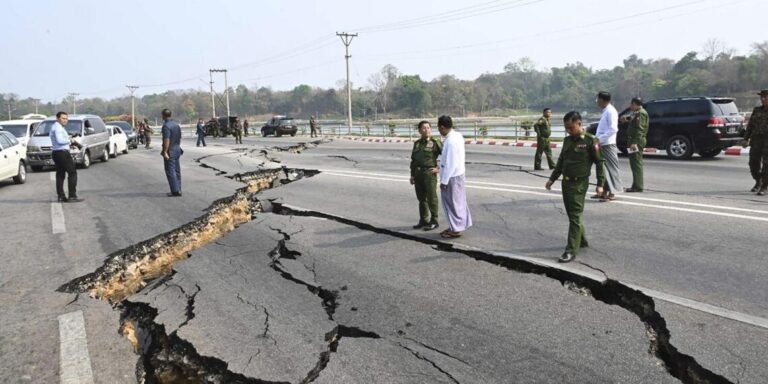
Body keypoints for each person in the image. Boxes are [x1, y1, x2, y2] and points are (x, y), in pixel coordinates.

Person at [545, 111, 605, 263]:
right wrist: (552, 179)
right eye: (566, 128)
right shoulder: (567, 141)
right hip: (566, 182)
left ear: (579, 124)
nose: (568, 130)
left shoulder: (591, 141)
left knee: (575, 215)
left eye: (571, 127)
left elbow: (600, 163)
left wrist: (600, 184)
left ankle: (571, 250)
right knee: (573, 214)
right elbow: (561, 161)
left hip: (579, 184)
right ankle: (582, 240)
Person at [437, 115, 472, 238]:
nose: (439, 131)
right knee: (459, 202)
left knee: (452, 204)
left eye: (439, 129)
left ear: (442, 127)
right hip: (459, 174)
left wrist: (444, 181)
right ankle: (456, 225)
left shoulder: (451, 141)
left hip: (452, 177)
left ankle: (456, 229)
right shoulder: (457, 136)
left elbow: (451, 163)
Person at [410, 120, 443, 231]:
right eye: (423, 128)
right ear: (419, 130)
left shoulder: (435, 142)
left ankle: (434, 221)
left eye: (428, 127)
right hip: (418, 174)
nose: (426, 130)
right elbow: (413, 161)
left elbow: (446, 155)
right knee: (421, 199)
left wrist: (439, 168)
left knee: (431, 198)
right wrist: (412, 175)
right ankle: (424, 220)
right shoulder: (417, 144)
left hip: (429, 174)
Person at [593, 91, 622, 201]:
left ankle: (612, 193)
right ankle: (604, 191)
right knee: (603, 169)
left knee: (611, 169)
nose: (597, 101)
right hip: (602, 144)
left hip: (608, 144)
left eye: (598, 99)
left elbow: (613, 129)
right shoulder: (606, 111)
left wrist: (599, 139)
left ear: (603, 100)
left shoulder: (611, 112)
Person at [50, 112, 83, 203]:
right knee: (72, 173)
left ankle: (61, 196)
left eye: (66, 118)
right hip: (62, 153)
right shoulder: (57, 128)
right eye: (63, 118)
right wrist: (70, 140)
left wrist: (69, 144)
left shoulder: (56, 127)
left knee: (60, 174)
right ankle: (72, 195)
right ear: (57, 118)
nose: (65, 120)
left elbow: (59, 141)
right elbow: (60, 140)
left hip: (57, 152)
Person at [745, 89, 768, 195]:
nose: (763, 99)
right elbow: (750, 125)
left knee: (766, 165)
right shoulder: (757, 110)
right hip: (756, 140)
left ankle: (764, 186)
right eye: (762, 97)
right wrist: (746, 138)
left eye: (765, 97)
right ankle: (758, 181)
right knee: (753, 163)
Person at [624, 97, 649, 192]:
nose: (630, 106)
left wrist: (634, 143)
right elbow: (633, 119)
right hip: (633, 141)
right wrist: (626, 119)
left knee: (636, 163)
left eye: (631, 104)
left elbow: (640, 129)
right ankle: (635, 185)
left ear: (635, 104)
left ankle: (638, 186)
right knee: (633, 162)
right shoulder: (637, 113)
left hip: (636, 142)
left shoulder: (641, 113)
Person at [160, 109, 183, 197]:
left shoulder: (166, 126)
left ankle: (175, 191)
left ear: (163, 115)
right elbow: (179, 138)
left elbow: (166, 140)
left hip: (170, 150)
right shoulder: (176, 125)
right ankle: (179, 188)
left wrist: (165, 151)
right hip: (177, 148)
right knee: (177, 170)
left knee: (170, 170)